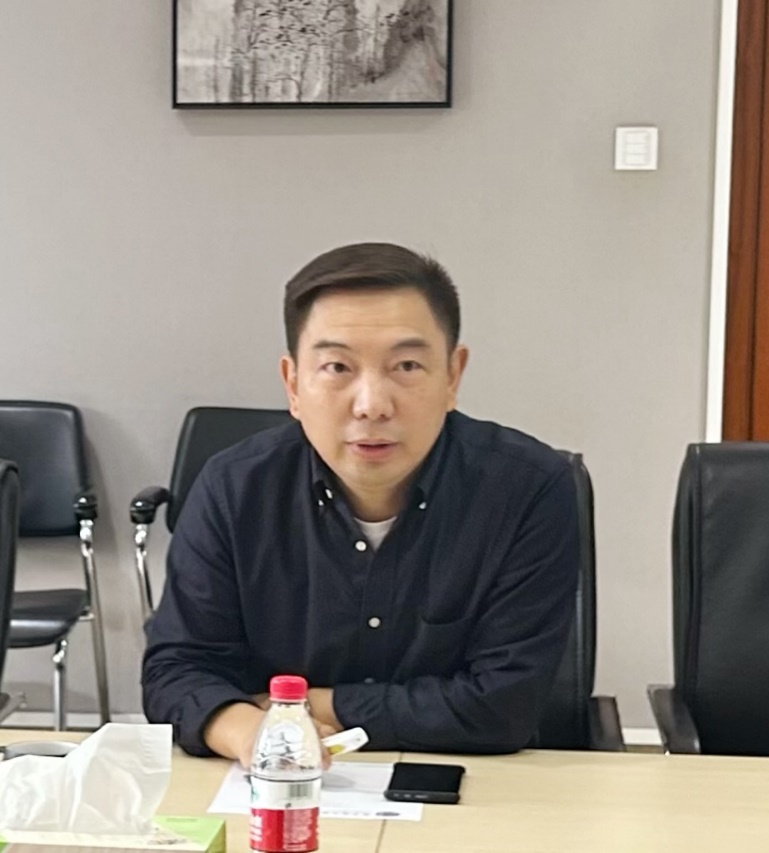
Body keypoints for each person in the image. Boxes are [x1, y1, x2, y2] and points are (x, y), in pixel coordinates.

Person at [142, 242, 579, 767]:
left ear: (452, 376)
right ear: (293, 384)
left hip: (473, 786)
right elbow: (176, 673)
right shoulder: (233, 489)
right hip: (272, 784)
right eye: (337, 367)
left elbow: (504, 706)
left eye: (407, 365)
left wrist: (300, 707)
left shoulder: (528, 489)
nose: (372, 405)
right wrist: (257, 735)